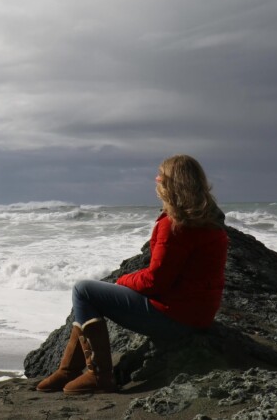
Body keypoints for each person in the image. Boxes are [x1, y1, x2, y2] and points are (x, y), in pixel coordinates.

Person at [36, 155, 229, 394]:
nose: (156, 181)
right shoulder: (210, 221)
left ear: (171, 184)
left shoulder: (175, 225)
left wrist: (122, 280)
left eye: (159, 176)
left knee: (83, 290)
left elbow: (156, 281)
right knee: (90, 293)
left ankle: (99, 375)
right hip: (197, 315)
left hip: (175, 318)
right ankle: (68, 370)